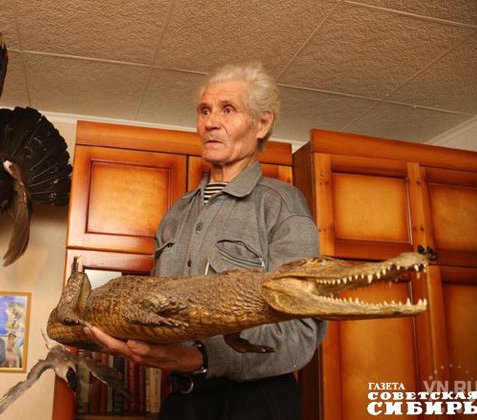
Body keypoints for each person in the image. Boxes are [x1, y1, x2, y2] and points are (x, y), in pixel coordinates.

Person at [83, 61, 326, 419]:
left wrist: (201, 357)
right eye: (204, 110)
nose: (211, 122)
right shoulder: (176, 214)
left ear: (262, 123)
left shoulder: (282, 205)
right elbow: (154, 311)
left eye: (228, 109)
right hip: (181, 399)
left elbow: (301, 332)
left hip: (255, 403)